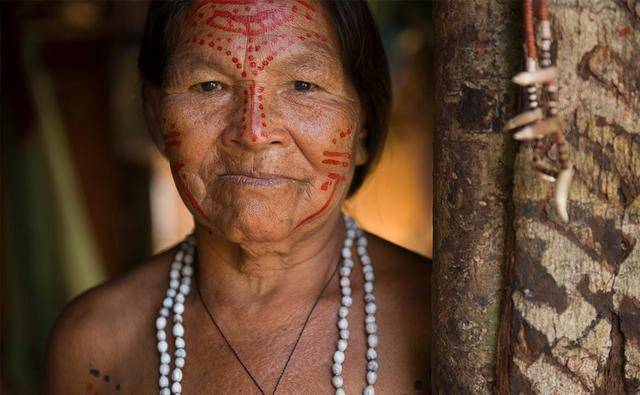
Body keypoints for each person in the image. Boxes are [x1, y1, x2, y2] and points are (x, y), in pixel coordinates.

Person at [45, 1, 431, 393]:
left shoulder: (442, 319)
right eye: (208, 86)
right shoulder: (97, 344)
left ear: (362, 125)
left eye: (303, 85)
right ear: (156, 116)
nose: (254, 133)